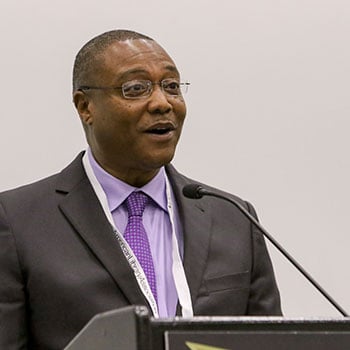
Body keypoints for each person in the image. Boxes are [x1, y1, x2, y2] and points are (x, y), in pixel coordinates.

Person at [0, 29, 281, 350]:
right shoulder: (17, 222)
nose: (162, 103)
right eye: (136, 89)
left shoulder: (234, 217)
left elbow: (270, 342)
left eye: (172, 86)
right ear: (85, 106)